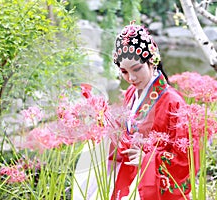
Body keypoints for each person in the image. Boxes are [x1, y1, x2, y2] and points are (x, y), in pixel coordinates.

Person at [73, 21, 199, 200]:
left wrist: (147, 159)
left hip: (152, 181)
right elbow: (126, 131)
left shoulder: (174, 102)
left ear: (152, 61)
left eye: (137, 69)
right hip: (129, 172)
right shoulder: (132, 92)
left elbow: (187, 156)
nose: (131, 78)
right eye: (124, 72)